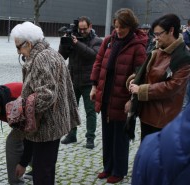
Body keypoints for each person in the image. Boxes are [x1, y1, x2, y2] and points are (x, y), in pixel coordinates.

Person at [10, 21, 81, 185]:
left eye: (19, 47)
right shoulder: (47, 53)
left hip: (47, 125)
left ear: (28, 43)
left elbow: (46, 93)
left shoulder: (42, 57)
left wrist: (23, 106)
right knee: (46, 169)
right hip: (50, 123)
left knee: (42, 173)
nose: (18, 52)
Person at [90, 8, 147, 183]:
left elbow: (140, 75)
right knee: (107, 135)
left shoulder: (138, 46)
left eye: (122, 27)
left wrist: (132, 100)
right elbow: (98, 63)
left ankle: (119, 170)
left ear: (130, 26)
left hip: (123, 98)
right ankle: (107, 167)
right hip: (106, 95)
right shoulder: (109, 41)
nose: (118, 30)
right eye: (116, 26)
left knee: (120, 138)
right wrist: (94, 86)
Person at [127, 14, 190, 141]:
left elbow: (172, 87)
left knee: (159, 157)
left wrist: (142, 90)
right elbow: (147, 72)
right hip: (147, 114)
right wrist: (135, 79)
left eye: (158, 34)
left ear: (171, 31)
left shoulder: (183, 57)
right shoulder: (158, 49)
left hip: (163, 118)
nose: (156, 38)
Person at [59, 16, 102, 149]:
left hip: (89, 82)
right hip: (73, 79)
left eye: (84, 29)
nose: (82, 31)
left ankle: (90, 138)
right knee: (71, 109)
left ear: (90, 26)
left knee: (90, 111)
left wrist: (77, 44)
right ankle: (72, 134)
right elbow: (62, 56)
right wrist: (65, 42)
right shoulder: (73, 38)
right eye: (80, 29)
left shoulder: (97, 41)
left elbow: (93, 55)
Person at [131, 103, 190, 185]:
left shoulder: (151, 149)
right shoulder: (150, 148)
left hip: (162, 117)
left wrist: (142, 92)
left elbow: (169, 90)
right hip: (149, 115)